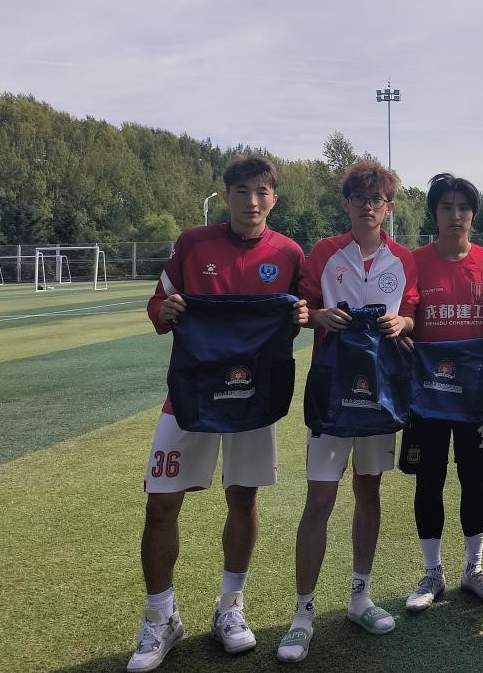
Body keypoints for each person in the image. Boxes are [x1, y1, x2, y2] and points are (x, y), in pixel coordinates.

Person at [129, 156, 308, 673]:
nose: (252, 201)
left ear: (274, 198)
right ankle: (161, 615)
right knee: (161, 504)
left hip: (253, 396)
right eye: (241, 191)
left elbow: (306, 306)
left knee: (243, 497)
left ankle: (230, 607)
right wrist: (163, 312)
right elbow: (159, 302)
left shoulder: (289, 253)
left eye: (261, 192)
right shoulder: (193, 244)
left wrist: (301, 313)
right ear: (225, 195)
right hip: (190, 394)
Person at [277, 160, 418, 661]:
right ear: (346, 203)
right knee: (319, 499)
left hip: (381, 395)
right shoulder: (324, 252)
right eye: (359, 197)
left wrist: (403, 323)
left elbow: (413, 313)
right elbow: (299, 309)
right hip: (332, 392)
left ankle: (360, 597)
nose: (367, 206)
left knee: (369, 492)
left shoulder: (403, 258)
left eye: (376, 199)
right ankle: (302, 614)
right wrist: (316, 315)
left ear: (388, 207)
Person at [401, 173, 483, 612]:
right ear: (435, 213)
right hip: (426, 391)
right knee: (429, 477)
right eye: (446, 207)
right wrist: (403, 332)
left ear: (473, 215)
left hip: (475, 393)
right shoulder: (413, 262)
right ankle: (433, 572)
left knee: (474, 476)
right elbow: (405, 315)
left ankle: (473, 568)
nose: (455, 215)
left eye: (463, 207)